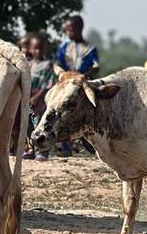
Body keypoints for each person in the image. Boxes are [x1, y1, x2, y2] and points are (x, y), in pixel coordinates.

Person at [53, 16, 99, 156]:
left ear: (79, 29)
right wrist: (63, 74)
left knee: (88, 111)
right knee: (62, 111)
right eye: (67, 30)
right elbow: (57, 64)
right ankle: (65, 147)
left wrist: (83, 76)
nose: (68, 33)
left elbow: (96, 66)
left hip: (83, 84)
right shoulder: (64, 47)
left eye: (71, 30)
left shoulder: (89, 48)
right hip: (67, 84)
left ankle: (91, 145)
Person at [26, 33, 56, 160]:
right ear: (31, 49)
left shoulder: (48, 65)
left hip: (40, 100)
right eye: (35, 48)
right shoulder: (28, 64)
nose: (38, 51)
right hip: (27, 99)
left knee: (40, 125)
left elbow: (47, 84)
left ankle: (42, 151)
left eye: (40, 48)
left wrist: (36, 97)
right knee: (28, 125)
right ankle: (31, 148)